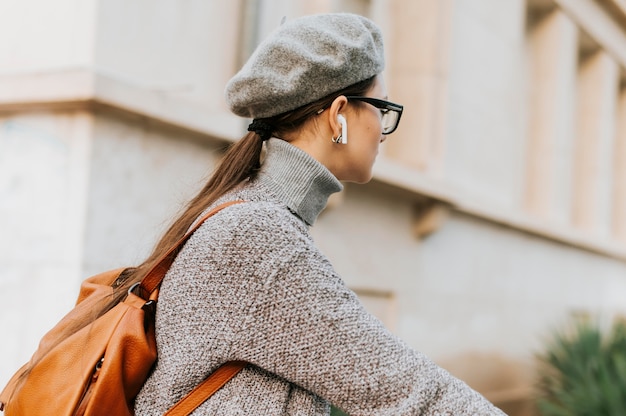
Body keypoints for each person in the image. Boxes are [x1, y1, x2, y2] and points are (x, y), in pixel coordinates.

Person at [131, 13, 506, 415]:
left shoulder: (253, 215)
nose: (382, 129)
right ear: (339, 114)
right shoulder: (257, 236)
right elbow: (404, 389)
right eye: (381, 107)